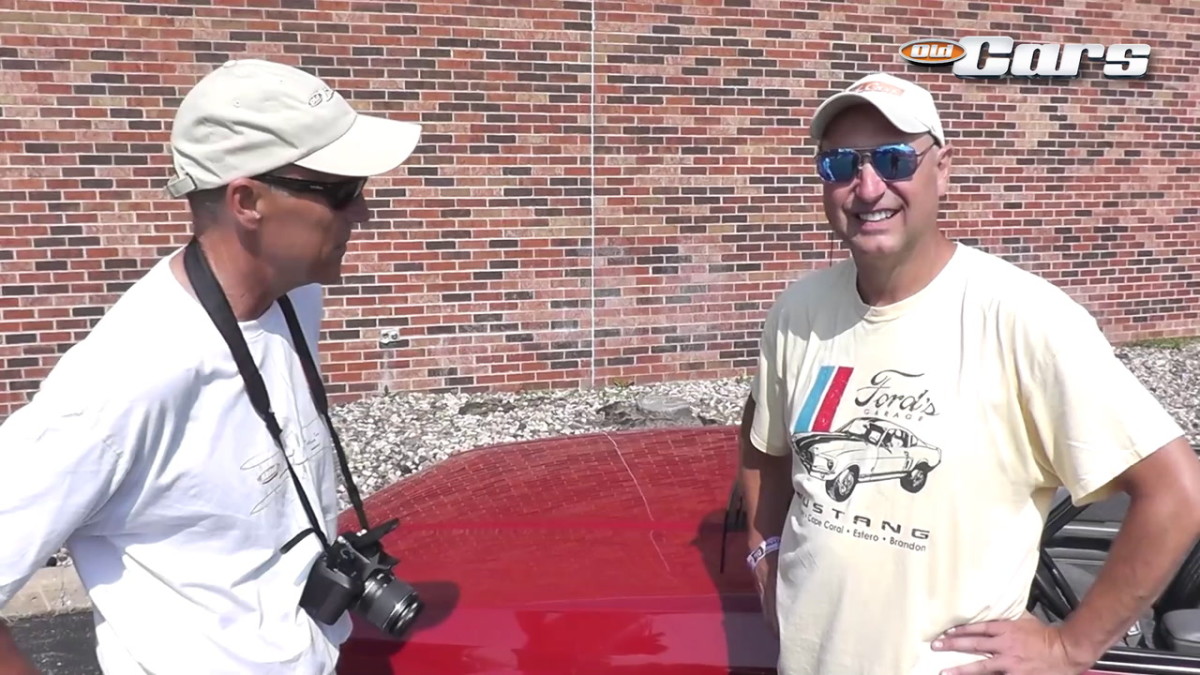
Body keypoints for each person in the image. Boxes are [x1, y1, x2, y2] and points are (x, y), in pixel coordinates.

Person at [737, 71, 1200, 675]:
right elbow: (766, 443)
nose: (868, 186)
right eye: (841, 165)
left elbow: (1176, 491)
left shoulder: (1024, 317)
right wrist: (764, 549)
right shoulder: (798, 310)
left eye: (895, 159)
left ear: (942, 168)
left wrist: (1072, 644)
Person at [0, 58, 421, 674]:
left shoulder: (295, 295)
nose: (362, 212)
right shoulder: (127, 377)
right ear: (246, 200)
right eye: (340, 191)